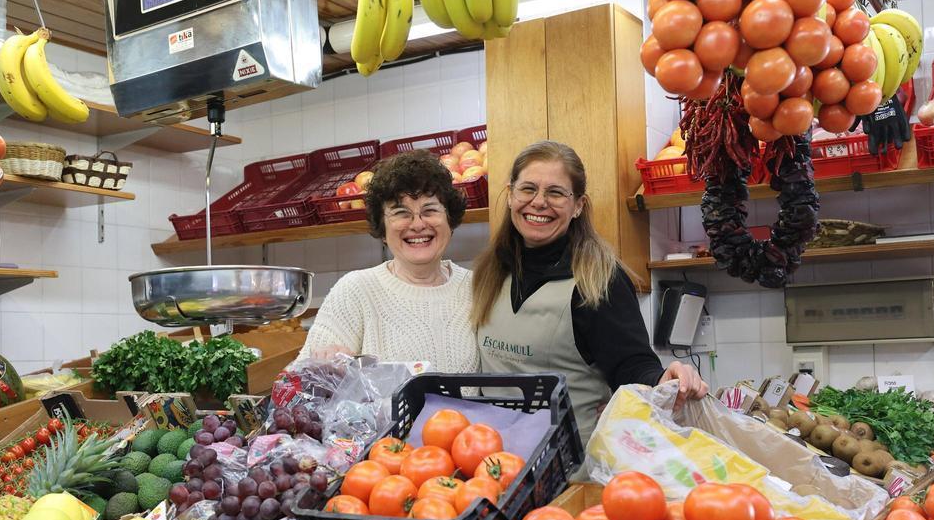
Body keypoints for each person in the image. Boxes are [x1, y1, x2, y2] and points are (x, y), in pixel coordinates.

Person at [471, 140, 708, 446]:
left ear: (578, 206)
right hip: (489, 459)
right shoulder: (489, 272)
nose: (539, 202)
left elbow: (632, 366)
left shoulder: (599, 279)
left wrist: (664, 379)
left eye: (556, 192)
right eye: (528, 189)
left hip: (569, 465)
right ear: (510, 195)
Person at [298, 150, 479, 373]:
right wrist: (324, 363)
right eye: (401, 213)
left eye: (430, 210)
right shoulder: (356, 290)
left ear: (450, 220)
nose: (417, 224)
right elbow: (303, 378)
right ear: (382, 228)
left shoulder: (477, 288)